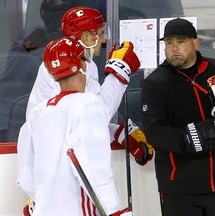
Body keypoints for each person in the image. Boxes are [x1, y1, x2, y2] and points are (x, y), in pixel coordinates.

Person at [141, 18, 215, 216]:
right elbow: (154, 132)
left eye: (181, 41)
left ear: (195, 43)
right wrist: (193, 137)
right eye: (169, 42)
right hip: (179, 190)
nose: (174, 48)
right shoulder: (156, 83)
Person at [17, 36, 139, 215]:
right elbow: (95, 170)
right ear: (82, 66)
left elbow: (25, 177)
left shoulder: (39, 112)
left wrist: (40, 201)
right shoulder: (88, 104)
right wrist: (114, 211)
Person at [26, 6, 153, 166]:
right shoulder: (65, 65)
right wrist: (120, 70)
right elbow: (95, 116)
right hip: (57, 164)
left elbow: (79, 121)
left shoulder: (84, 62)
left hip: (61, 158)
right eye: (99, 34)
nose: (103, 40)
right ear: (86, 37)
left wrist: (117, 132)